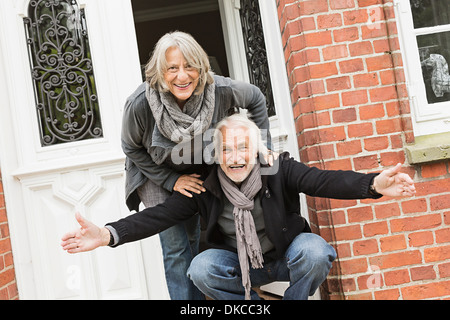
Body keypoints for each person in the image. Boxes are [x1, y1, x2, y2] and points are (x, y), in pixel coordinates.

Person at [61, 113, 416, 300]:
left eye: (243, 148)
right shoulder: (206, 186)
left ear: (257, 149)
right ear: (216, 153)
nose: (235, 157)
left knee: (316, 251)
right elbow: (159, 216)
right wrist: (108, 234)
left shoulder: (279, 170)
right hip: (241, 268)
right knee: (200, 268)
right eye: (227, 149)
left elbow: (322, 181)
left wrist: (372, 184)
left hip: (287, 257)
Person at [121, 31, 272, 300]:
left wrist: (262, 145)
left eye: (189, 66)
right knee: (176, 246)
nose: (182, 76)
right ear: (160, 71)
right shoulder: (141, 104)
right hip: (155, 174)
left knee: (194, 235)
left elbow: (257, 99)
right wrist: (171, 181)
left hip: (197, 165)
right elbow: (131, 148)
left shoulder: (221, 90)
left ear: (201, 68)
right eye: (173, 68)